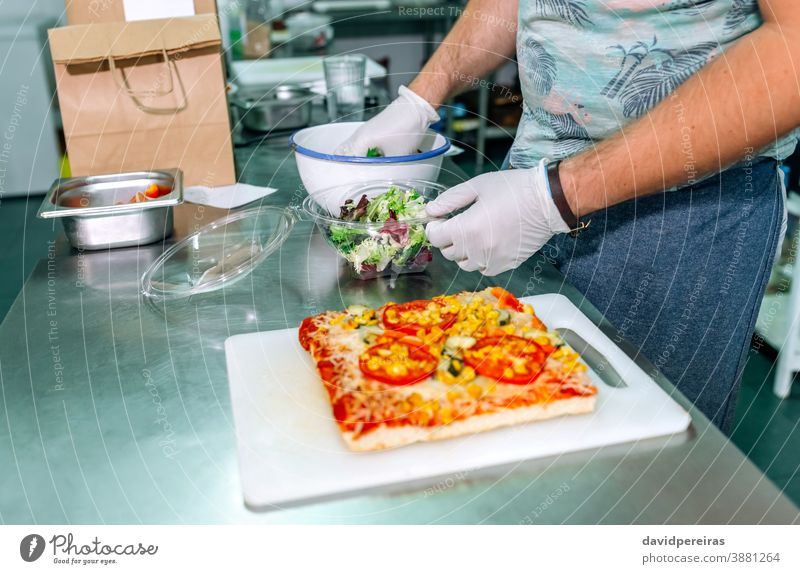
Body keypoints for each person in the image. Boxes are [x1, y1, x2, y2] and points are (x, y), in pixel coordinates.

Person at [337, 0, 800, 433]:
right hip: (527, 182)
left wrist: (556, 195)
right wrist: (420, 97)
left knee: (645, 461)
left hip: (680, 218)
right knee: (512, 422)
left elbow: (793, 49)